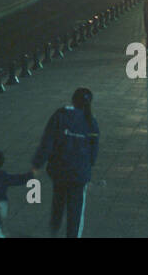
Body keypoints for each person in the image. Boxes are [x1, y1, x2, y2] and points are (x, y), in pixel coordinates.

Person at [31, 88, 100, 238]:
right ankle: (72, 234)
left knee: (59, 196)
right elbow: (94, 151)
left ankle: (55, 225)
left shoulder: (60, 115)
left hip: (59, 169)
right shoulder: (91, 122)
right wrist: (89, 166)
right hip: (79, 174)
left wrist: (37, 163)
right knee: (76, 209)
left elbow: (47, 141)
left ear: (73, 100)